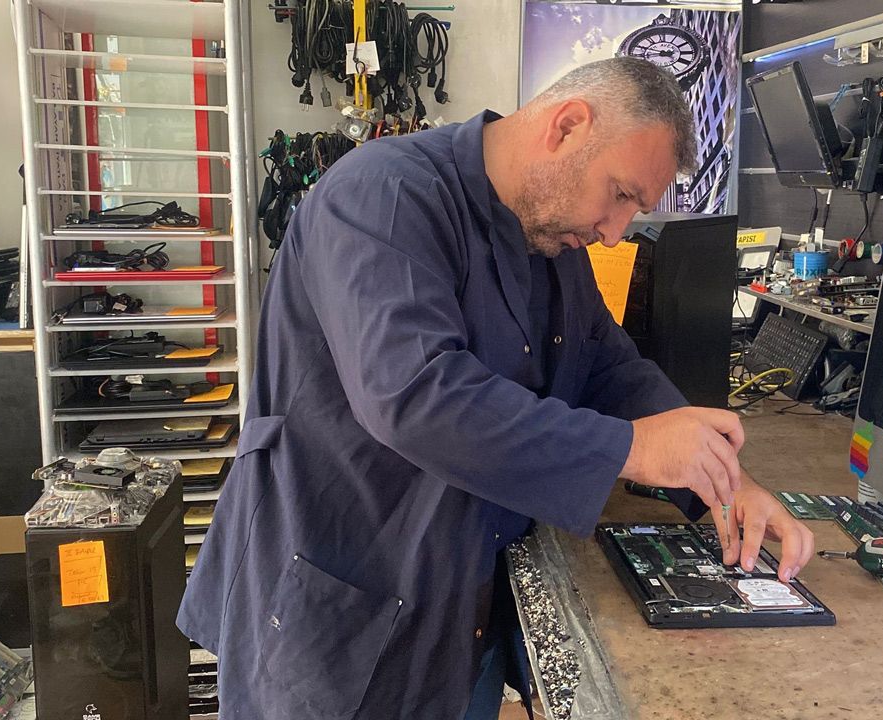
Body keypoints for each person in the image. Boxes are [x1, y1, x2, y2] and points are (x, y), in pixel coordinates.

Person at [178, 57, 815, 720]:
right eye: (620, 194)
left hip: (459, 616)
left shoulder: (553, 243)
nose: (614, 232)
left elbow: (607, 368)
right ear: (567, 127)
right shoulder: (382, 195)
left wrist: (721, 478)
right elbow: (416, 396)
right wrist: (632, 449)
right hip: (339, 609)